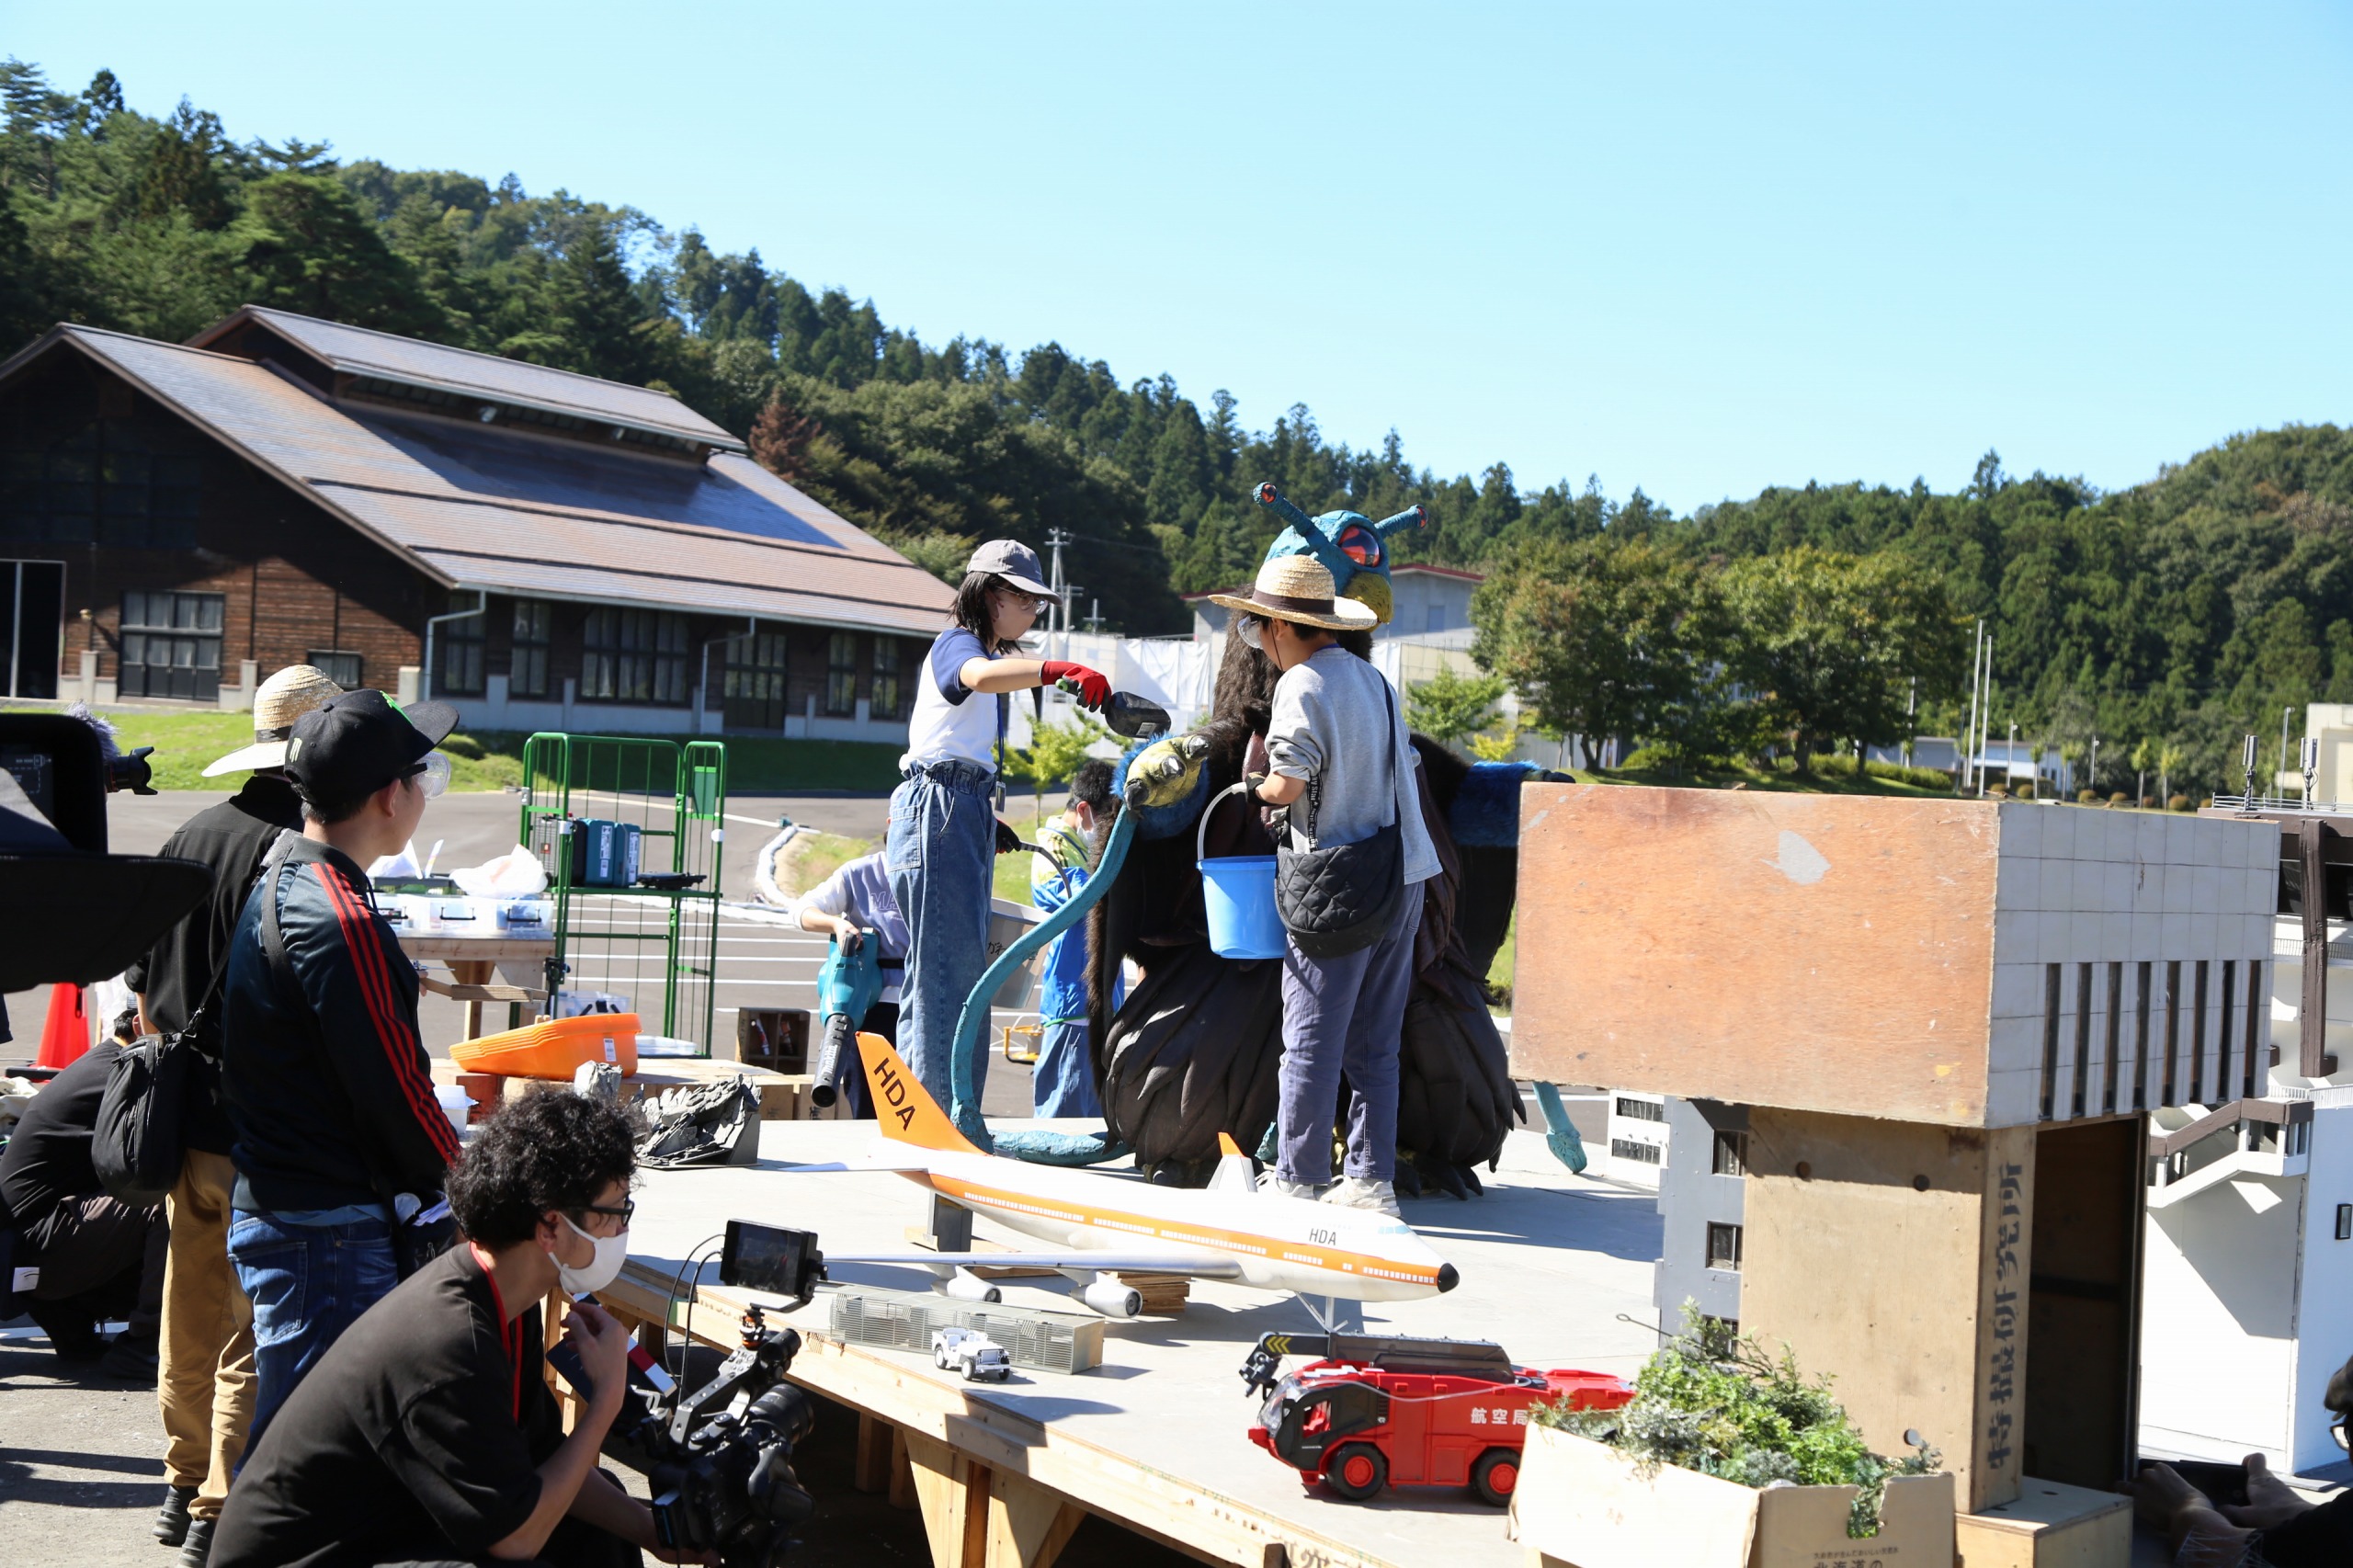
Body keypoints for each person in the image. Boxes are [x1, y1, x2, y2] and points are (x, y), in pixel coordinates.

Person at [211, 1090, 704, 1568]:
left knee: (591, 1523)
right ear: (551, 1226)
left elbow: (540, 1456)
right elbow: (514, 1540)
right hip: (308, 1556)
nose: (621, 1231)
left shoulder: (506, 1300)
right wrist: (605, 1403)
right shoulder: (448, 1343)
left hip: (377, 1533)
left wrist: (654, 1532)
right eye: (615, 1212)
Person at [126, 663, 339, 1564]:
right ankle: (219, 1499)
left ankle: (178, 1482)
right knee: (254, 1326)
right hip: (263, 1129)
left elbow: (140, 997)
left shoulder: (192, 834)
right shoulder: (306, 850)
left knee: (187, 1310)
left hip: (183, 1127)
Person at [220, 687, 464, 1454]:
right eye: (422, 775)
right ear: (391, 795)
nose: (425, 792)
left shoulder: (285, 874)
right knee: (323, 1461)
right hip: (327, 1230)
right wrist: (470, 1183)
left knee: (306, 1452)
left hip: (289, 1207)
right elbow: (395, 1088)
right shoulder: (342, 917)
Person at [1210, 555, 1438, 1218]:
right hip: (1403, 876)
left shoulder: (1301, 684)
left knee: (1310, 1035)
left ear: (1283, 626)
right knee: (1376, 1040)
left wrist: (1249, 788)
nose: (1258, 642)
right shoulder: (1373, 679)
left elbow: (1288, 784)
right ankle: (1370, 1182)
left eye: (1257, 629)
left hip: (1336, 888)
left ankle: (1301, 1179)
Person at [888, 539, 1109, 1108]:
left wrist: (983, 814)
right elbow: (975, 677)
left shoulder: (982, 652)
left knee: (949, 972)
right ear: (989, 593)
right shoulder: (957, 644)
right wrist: (1053, 670)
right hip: (938, 804)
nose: (1033, 612)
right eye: (1026, 599)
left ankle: (934, 1114)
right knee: (948, 973)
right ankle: (943, 1123)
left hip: (958, 805)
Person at [0, 1034, 167, 1374]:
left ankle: (71, 1318)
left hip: (30, 1245)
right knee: (167, 1201)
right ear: (138, 1024)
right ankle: (146, 1344)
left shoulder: (107, 1063)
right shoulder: (122, 1071)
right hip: (30, 1252)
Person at [1029, 759, 1120, 1117]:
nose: (1107, 833)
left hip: (1100, 1004)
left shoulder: (1082, 849)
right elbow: (1086, 896)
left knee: (1097, 1125)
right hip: (1071, 1006)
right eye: (1106, 821)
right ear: (1083, 811)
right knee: (1060, 1120)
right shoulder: (1049, 851)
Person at [793, 849, 909, 1116]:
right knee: (867, 1104)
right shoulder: (860, 873)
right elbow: (802, 911)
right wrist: (835, 924)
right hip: (867, 1004)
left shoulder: (941, 871)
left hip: (926, 1005)